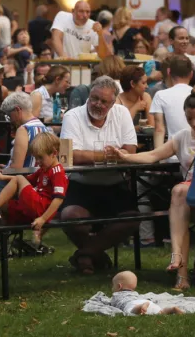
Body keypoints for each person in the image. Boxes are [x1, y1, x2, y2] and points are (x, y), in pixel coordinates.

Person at [109, 88, 195, 290]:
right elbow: (153, 155)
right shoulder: (182, 137)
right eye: (188, 118)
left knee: (178, 192)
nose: (193, 123)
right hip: (191, 197)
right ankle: (181, 278)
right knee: (180, 196)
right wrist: (126, 157)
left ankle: (177, 259)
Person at [59, 76, 138, 275]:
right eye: (94, 98)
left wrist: (91, 155)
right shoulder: (72, 116)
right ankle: (95, 254)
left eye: (104, 102)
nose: (97, 104)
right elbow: (70, 155)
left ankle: (86, 254)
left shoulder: (122, 114)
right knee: (70, 217)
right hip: (80, 184)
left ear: (113, 103)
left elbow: (131, 151)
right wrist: (108, 154)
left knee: (133, 219)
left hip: (114, 183)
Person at [0, 132, 67, 237]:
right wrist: (2, 176)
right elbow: (25, 180)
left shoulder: (58, 172)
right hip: (33, 208)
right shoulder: (43, 169)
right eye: (36, 158)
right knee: (3, 205)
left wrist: (43, 219)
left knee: (17, 179)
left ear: (54, 153)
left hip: (40, 208)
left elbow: (59, 199)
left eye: (40, 158)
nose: (38, 162)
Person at [150, 55, 194, 148]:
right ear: (191, 74)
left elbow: (159, 129)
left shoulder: (160, 95)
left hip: (172, 154)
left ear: (168, 72)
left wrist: (159, 157)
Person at [109, 271, 185, 316]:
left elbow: (112, 304)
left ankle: (140, 307)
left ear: (119, 286)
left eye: (113, 285)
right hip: (149, 303)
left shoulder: (116, 295)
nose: (112, 288)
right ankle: (171, 309)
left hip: (135, 304)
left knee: (132, 311)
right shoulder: (135, 293)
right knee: (160, 312)